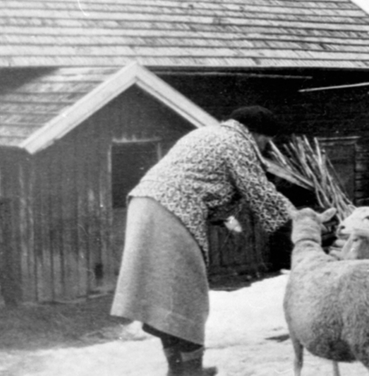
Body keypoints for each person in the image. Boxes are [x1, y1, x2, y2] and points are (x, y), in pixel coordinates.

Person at [111, 106, 295, 376]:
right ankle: (192, 370)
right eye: (266, 141)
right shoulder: (236, 142)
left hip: (144, 207)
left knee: (164, 296)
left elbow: (206, 184)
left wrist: (227, 220)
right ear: (255, 133)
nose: (265, 147)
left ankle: (178, 368)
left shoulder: (204, 135)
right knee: (187, 296)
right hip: (171, 212)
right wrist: (301, 218)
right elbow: (259, 189)